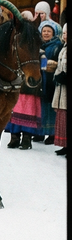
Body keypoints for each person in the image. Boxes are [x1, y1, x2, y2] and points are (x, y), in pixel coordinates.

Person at [39, 20, 62, 144]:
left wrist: (51, 65)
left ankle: (52, 133)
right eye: (44, 31)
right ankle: (41, 132)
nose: (46, 33)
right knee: (42, 105)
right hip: (42, 78)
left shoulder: (57, 45)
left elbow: (56, 62)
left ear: (53, 33)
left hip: (51, 79)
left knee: (50, 106)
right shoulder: (41, 45)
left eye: (49, 31)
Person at [52, 25, 67, 156]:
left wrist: (65, 76)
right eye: (64, 33)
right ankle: (65, 145)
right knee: (62, 115)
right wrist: (57, 75)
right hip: (62, 88)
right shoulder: (64, 48)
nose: (65, 35)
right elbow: (59, 65)